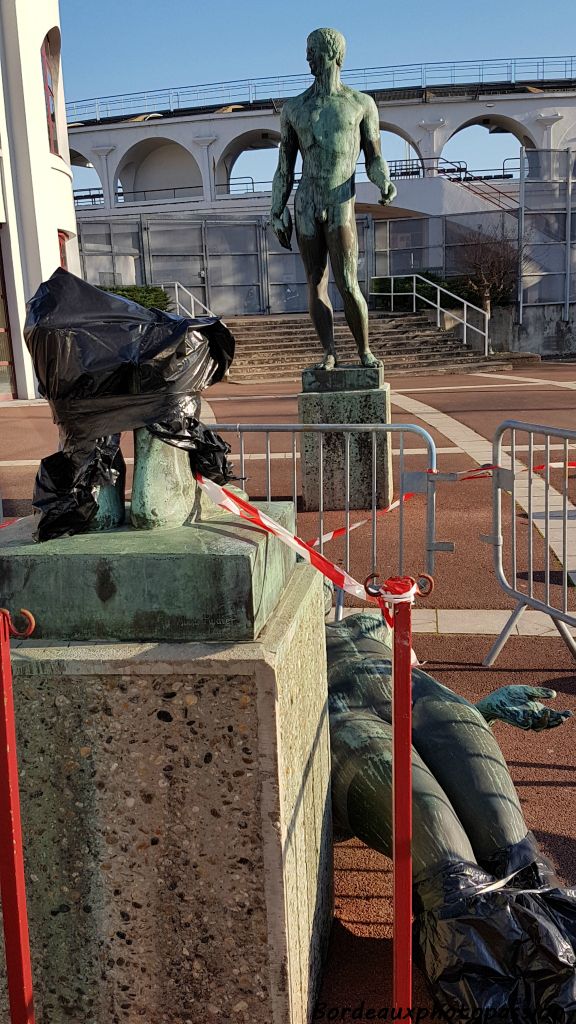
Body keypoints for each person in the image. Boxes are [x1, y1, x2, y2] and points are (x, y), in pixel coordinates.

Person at [326, 611, 576, 1020]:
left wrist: (484, 711)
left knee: (516, 853)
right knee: (448, 869)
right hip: (343, 718)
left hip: (421, 697)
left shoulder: (368, 616)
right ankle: (503, 997)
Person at [271, 28, 397, 370]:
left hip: (341, 200)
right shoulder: (294, 108)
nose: (307, 58)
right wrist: (276, 210)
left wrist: (384, 180)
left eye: (313, 51)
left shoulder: (361, 104)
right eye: (307, 51)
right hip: (307, 203)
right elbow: (285, 166)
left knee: (347, 281)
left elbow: (373, 156)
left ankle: (364, 351)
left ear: (333, 55)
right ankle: (329, 351)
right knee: (315, 282)